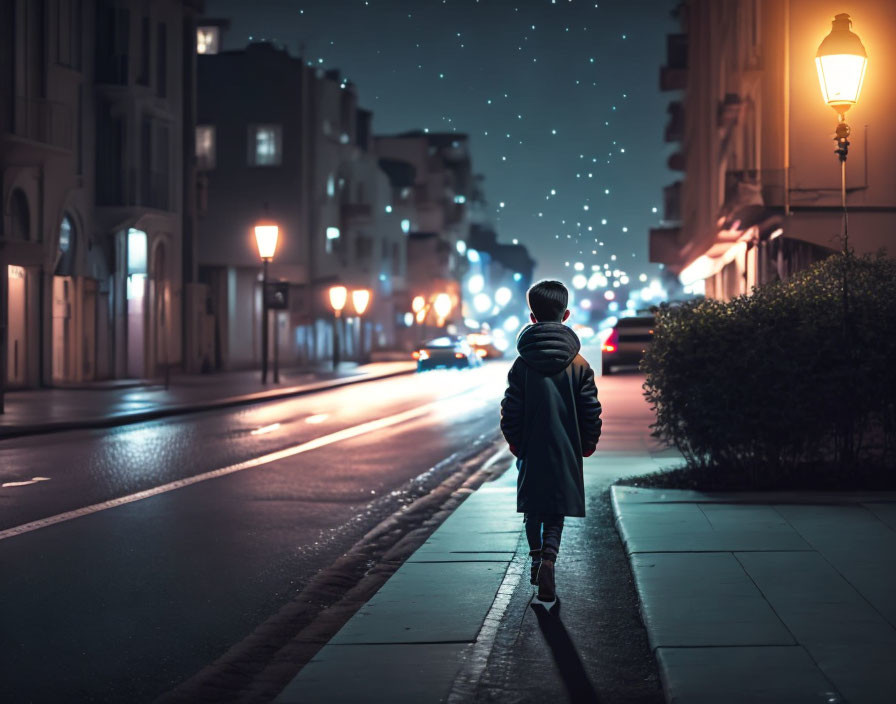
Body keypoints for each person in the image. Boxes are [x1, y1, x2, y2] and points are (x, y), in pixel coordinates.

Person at [500, 279, 602, 602]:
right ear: (566, 314)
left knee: (534, 507)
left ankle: (534, 555)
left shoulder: (522, 365)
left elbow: (510, 409)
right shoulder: (579, 365)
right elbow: (590, 410)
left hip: (531, 448)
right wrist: (587, 443)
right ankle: (549, 560)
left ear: (532, 317)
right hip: (565, 449)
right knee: (555, 510)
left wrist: (516, 443)